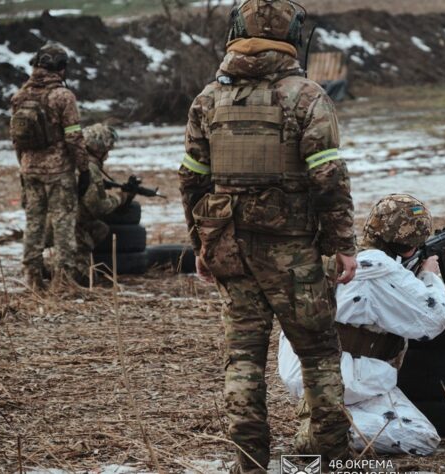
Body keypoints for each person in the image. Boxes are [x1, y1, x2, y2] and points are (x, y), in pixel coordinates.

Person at [177, 1, 358, 472]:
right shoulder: (307, 97)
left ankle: (249, 464)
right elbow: (329, 180)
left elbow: (192, 181)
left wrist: (202, 243)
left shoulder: (207, 100)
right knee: (318, 354)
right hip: (294, 254)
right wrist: (343, 246)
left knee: (242, 360)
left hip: (230, 250)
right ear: (293, 35)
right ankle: (334, 461)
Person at [278, 194, 445, 455]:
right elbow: (433, 319)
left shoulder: (350, 256)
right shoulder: (383, 269)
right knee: (420, 438)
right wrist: (428, 274)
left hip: (309, 366)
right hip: (344, 376)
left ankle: (326, 417)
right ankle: (328, 431)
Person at [10, 42, 89, 289]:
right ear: (61, 68)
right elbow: (74, 137)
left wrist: (23, 166)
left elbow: (16, 140)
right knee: (63, 222)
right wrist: (84, 168)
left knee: (34, 223)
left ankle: (32, 278)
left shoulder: (20, 96)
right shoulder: (63, 96)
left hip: (29, 170)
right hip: (58, 172)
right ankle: (63, 281)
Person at [74, 123, 134, 279]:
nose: (107, 156)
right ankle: (62, 267)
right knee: (86, 280)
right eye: (106, 151)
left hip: (65, 220)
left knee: (100, 228)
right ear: (98, 149)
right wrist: (120, 197)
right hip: (70, 225)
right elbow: (98, 207)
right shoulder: (89, 169)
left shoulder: (78, 162)